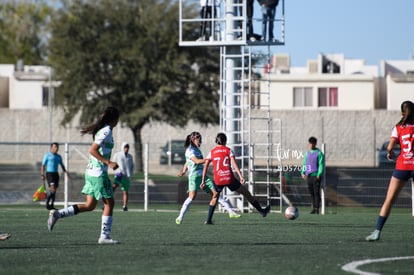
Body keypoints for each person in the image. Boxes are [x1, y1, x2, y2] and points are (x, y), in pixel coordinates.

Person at [47, 106, 121, 244]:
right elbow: (92, 150)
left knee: (90, 205)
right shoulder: (106, 131)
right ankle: (104, 237)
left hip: (91, 172)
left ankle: (57, 214)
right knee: (109, 203)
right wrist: (108, 162)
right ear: (115, 119)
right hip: (98, 174)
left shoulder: (104, 130)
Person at [366, 100, 414, 241]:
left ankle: (377, 232)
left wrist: (390, 153)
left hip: (402, 167)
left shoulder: (398, 127)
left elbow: (390, 147)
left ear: (402, 113)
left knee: (389, 200)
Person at [201, 132, 270, 224]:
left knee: (215, 198)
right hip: (229, 178)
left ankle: (208, 220)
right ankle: (262, 211)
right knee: (246, 193)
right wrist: (241, 176)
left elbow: (205, 166)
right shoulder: (228, 150)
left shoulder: (212, 152)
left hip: (218, 179)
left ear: (216, 141)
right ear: (225, 141)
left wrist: (203, 181)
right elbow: (234, 164)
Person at [176, 132, 240, 225]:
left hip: (202, 176)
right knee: (192, 196)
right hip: (194, 177)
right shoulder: (190, 150)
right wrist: (210, 159)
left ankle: (231, 212)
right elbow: (197, 161)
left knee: (215, 193)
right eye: (199, 139)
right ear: (193, 139)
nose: (200, 141)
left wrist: (183, 170)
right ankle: (180, 217)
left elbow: (187, 161)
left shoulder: (196, 149)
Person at [41, 142, 70, 210]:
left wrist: (66, 174)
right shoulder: (47, 155)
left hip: (56, 174)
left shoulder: (58, 156)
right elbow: (43, 165)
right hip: (49, 174)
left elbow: (62, 166)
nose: (56, 149)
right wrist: (42, 174)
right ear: (51, 148)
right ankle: (47, 203)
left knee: (54, 190)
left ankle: (52, 204)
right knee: (53, 188)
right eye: (55, 147)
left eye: (57, 147)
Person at [301, 136, 325, 214]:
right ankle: (314, 208)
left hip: (316, 176)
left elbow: (321, 164)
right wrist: (303, 172)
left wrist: (319, 174)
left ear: (315, 144)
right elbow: (304, 163)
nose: (311, 145)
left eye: (313, 143)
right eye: (310, 143)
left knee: (316, 192)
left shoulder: (319, 153)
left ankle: (317, 208)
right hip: (309, 176)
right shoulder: (307, 153)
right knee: (311, 193)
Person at [112, 142, 134, 211]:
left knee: (125, 191)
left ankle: (125, 206)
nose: (126, 149)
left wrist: (130, 174)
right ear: (123, 147)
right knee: (113, 187)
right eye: (125, 147)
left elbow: (132, 166)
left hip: (126, 176)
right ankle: (107, 204)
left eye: (127, 147)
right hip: (119, 174)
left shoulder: (130, 156)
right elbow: (113, 163)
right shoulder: (117, 155)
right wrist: (117, 171)